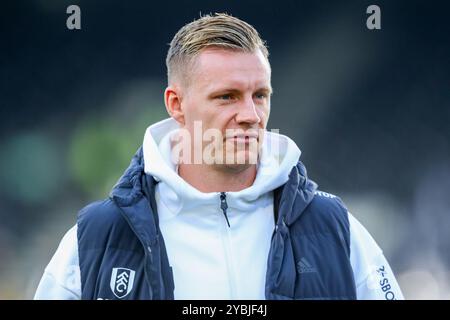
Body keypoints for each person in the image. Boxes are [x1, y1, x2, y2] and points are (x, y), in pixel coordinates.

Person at [34, 13, 404, 300]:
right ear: (176, 105)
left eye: (260, 95)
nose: (250, 114)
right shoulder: (96, 237)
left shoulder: (335, 229)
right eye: (226, 96)